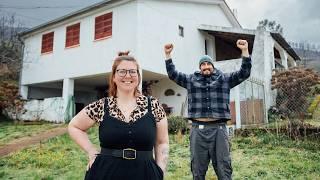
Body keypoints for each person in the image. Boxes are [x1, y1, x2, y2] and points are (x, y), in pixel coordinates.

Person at [68, 51, 169, 180]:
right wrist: (91, 151)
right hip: (105, 173)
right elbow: (74, 126)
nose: (128, 75)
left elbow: (162, 142)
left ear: (138, 76)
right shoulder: (101, 106)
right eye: (122, 71)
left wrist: (160, 171)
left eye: (133, 71)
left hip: (145, 174)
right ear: (114, 77)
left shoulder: (153, 106)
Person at [163, 40, 251, 180]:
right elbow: (173, 74)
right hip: (198, 130)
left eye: (208, 63)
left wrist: (245, 51)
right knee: (197, 169)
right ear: (200, 67)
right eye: (203, 64)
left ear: (213, 66)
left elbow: (244, 73)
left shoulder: (224, 79)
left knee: (224, 168)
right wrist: (168, 55)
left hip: (219, 130)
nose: (206, 66)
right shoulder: (191, 80)